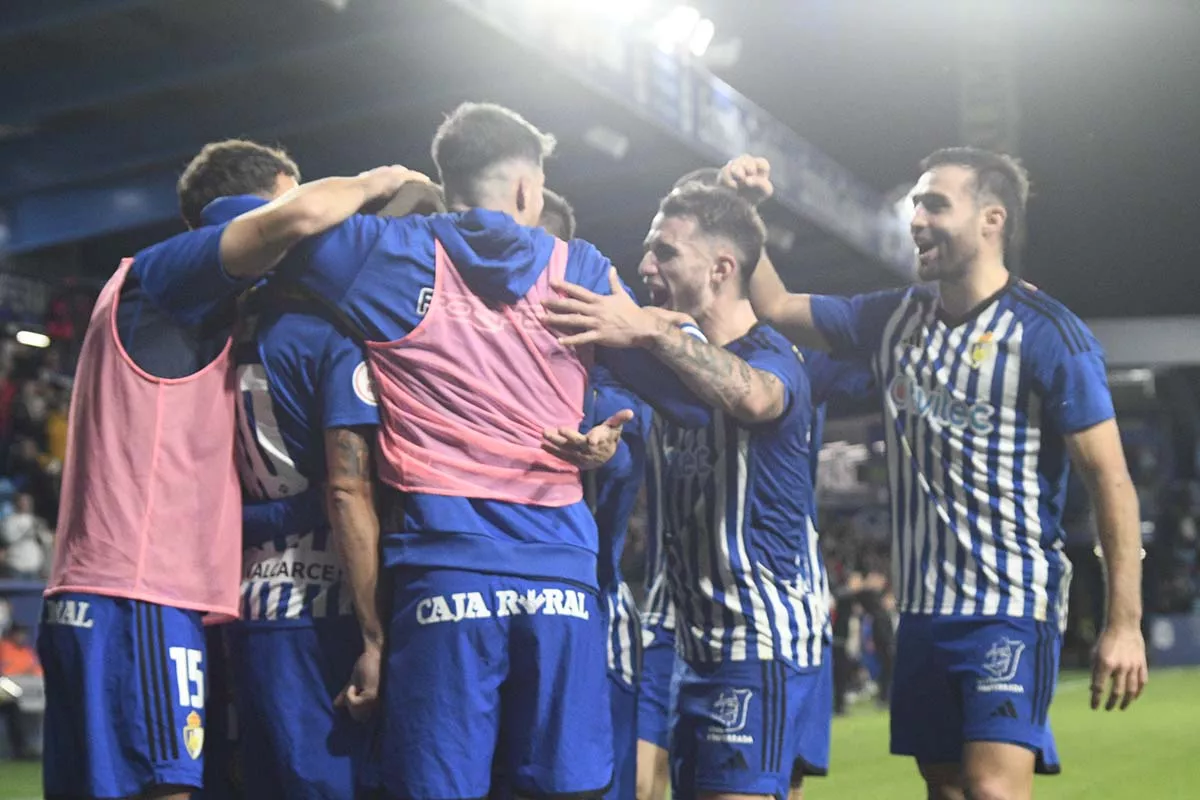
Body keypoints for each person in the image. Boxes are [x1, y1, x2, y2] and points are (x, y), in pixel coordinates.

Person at [742, 148, 1149, 800]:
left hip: (1010, 605)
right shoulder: (892, 317)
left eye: (936, 205)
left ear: (992, 220)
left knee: (991, 789)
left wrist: (1123, 623)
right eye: (916, 206)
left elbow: (1111, 480)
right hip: (924, 612)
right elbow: (775, 305)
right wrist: (749, 214)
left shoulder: (1049, 335)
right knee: (948, 789)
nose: (917, 220)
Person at [281, 101, 647, 799]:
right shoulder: (584, 270)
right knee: (569, 788)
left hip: (443, 575)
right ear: (527, 188)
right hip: (561, 581)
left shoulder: (386, 254)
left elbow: (279, 225)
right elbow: (676, 381)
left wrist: (374, 184)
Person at [36, 138, 421, 800]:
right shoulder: (166, 273)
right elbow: (293, 220)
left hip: (97, 593)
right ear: (278, 183)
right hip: (142, 592)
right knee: (166, 789)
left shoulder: (158, 297)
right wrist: (377, 180)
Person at [544, 182, 827, 800]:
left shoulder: (775, 358)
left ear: (722, 269)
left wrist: (650, 332)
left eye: (665, 252)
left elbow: (755, 396)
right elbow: (624, 419)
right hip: (688, 645)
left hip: (759, 636)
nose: (647, 265)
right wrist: (602, 444)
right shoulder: (665, 375)